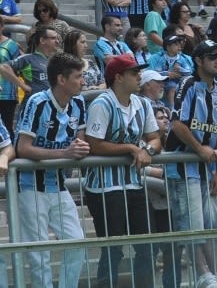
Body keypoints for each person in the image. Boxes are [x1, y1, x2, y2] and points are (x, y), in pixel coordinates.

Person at [165, 39, 217, 288]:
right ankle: (203, 275)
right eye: (212, 57)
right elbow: (177, 124)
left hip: (204, 169)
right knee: (193, 225)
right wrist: (199, 148)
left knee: (211, 224)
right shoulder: (187, 84)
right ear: (198, 61)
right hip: (182, 167)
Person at [82, 54, 161, 287]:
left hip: (135, 184)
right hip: (104, 188)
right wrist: (130, 148)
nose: (140, 77)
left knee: (149, 245)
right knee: (113, 249)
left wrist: (146, 150)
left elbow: (155, 138)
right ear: (118, 78)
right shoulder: (101, 103)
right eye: (134, 73)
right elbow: (94, 143)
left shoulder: (143, 103)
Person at [15, 53, 89, 288]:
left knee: (76, 242)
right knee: (40, 253)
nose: (83, 82)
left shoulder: (79, 103)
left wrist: (80, 147)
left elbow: (79, 141)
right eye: (78, 77)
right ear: (61, 79)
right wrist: (64, 154)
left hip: (57, 184)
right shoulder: (37, 102)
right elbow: (22, 148)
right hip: (29, 186)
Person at [0, 25, 59, 96]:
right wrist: (23, 86)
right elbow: (3, 67)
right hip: (33, 104)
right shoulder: (28, 59)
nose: (57, 41)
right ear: (42, 40)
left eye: (57, 38)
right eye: (53, 38)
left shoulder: (57, 61)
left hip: (51, 105)